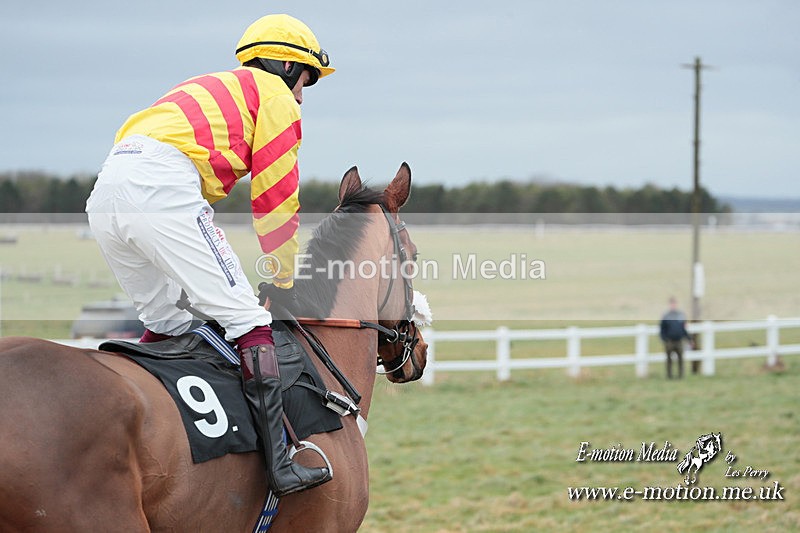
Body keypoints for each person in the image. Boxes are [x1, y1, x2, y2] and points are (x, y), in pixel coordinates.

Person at [85, 14, 334, 496]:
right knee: (248, 319)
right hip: (161, 188)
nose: (303, 95)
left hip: (108, 191)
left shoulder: (208, 85)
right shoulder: (277, 97)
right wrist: (282, 281)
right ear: (286, 66)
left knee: (167, 321)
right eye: (306, 80)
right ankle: (281, 465)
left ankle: (160, 441)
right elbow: (276, 195)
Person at [659, 297, 692, 379]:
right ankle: (669, 375)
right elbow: (662, 328)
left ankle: (681, 375)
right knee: (669, 359)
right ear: (669, 305)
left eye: (674, 304)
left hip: (679, 340)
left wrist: (689, 339)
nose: (673, 305)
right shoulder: (666, 316)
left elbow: (684, 328)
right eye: (672, 304)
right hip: (669, 340)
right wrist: (664, 339)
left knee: (680, 358)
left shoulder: (680, 315)